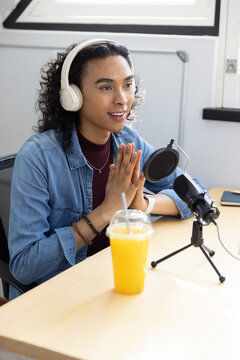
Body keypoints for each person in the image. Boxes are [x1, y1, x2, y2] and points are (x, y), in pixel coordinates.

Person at [8, 39, 204, 300]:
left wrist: (143, 205)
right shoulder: (38, 157)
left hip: (108, 282)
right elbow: (24, 267)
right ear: (73, 96)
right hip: (57, 295)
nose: (122, 99)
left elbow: (197, 194)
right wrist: (106, 211)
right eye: (106, 87)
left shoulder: (128, 142)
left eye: (127, 85)